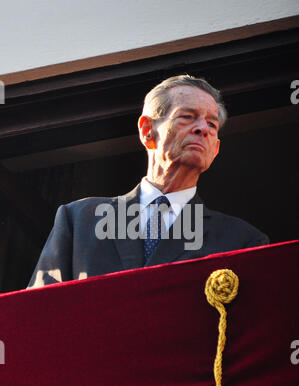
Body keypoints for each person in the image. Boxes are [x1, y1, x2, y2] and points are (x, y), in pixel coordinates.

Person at [28, 75, 269, 288]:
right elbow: (36, 316)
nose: (202, 129)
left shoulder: (242, 240)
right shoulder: (79, 219)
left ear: (215, 150)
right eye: (187, 117)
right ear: (147, 130)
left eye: (212, 124)